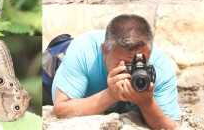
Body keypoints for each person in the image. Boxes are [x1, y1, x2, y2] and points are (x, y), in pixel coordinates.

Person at [51, 14, 180, 130]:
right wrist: (110, 95)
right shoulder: (83, 50)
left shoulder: (161, 68)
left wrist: (147, 103)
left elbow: (172, 125)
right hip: (57, 69)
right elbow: (60, 109)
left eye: (137, 65)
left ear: (150, 54)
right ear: (104, 51)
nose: (130, 73)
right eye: (122, 64)